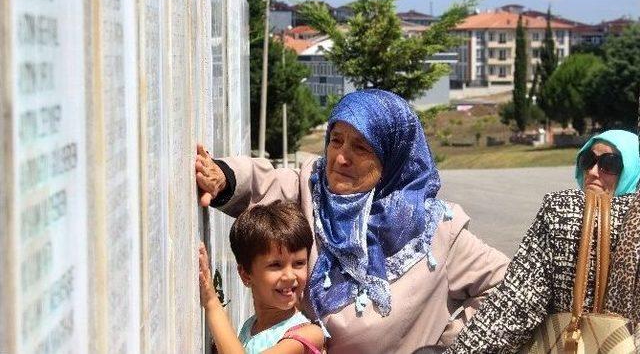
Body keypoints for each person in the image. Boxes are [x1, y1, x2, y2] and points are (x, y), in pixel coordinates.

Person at [196, 89, 509, 353]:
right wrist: (221, 177)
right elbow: (260, 184)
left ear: (392, 155)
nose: (340, 158)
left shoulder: (435, 231)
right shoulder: (312, 190)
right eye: (336, 140)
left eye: (360, 147)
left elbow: (508, 285)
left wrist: (449, 345)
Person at [447, 129, 640, 353]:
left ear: (633, 170)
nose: (594, 171)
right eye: (588, 160)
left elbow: (513, 310)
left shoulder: (564, 215)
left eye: (611, 164)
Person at [198, 202, 325, 354]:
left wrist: (212, 302)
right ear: (246, 274)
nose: (290, 276)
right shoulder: (249, 328)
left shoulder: (309, 334)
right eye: (276, 265)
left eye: (299, 263)